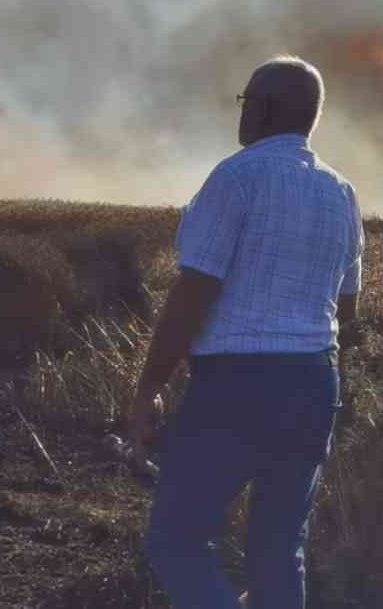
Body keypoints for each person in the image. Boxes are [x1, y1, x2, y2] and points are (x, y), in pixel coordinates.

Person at [127, 55, 364, 609]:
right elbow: (347, 309)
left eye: (245, 101)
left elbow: (193, 295)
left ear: (262, 110)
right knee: (280, 552)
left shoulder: (236, 177)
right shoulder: (342, 193)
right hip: (314, 383)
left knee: (177, 541)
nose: (242, 112)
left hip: (237, 384)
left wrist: (149, 387)